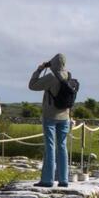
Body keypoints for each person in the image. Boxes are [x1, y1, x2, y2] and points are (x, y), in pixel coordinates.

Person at [27, 54, 78, 188]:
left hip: (50, 115)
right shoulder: (69, 75)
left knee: (50, 146)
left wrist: (39, 70)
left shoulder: (51, 77)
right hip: (65, 116)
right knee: (62, 146)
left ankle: (47, 180)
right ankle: (63, 179)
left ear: (53, 63)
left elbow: (32, 85)